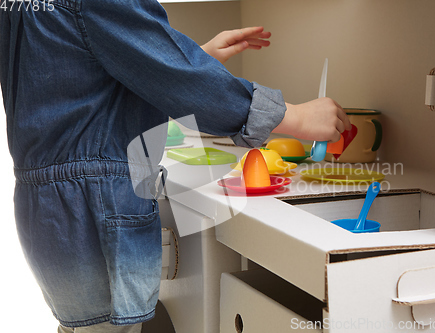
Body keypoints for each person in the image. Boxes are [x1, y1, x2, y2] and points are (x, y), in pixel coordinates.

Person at [0, 0, 350, 332]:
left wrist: (186, 60)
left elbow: (79, 79)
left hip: (51, 213)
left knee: (81, 325)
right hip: (93, 212)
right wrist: (296, 117)